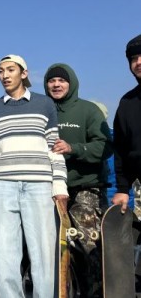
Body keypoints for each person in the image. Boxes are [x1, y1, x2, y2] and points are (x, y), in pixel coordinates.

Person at [0, 54, 68, 298]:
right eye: (0, 71)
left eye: (10, 70)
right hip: (3, 186)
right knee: (3, 255)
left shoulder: (44, 104)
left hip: (39, 186)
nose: (4, 75)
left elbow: (55, 148)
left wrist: (60, 185)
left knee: (44, 255)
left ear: (24, 73)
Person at [44, 62, 113, 296]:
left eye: (61, 80)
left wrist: (74, 148)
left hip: (85, 190)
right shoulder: (42, 112)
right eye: (51, 80)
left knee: (88, 251)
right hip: (49, 191)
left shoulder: (88, 111)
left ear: (71, 83)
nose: (56, 84)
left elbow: (104, 147)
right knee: (54, 253)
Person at [112, 35, 141, 213]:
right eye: (133, 58)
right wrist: (123, 189)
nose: (138, 62)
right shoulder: (127, 102)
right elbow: (121, 149)